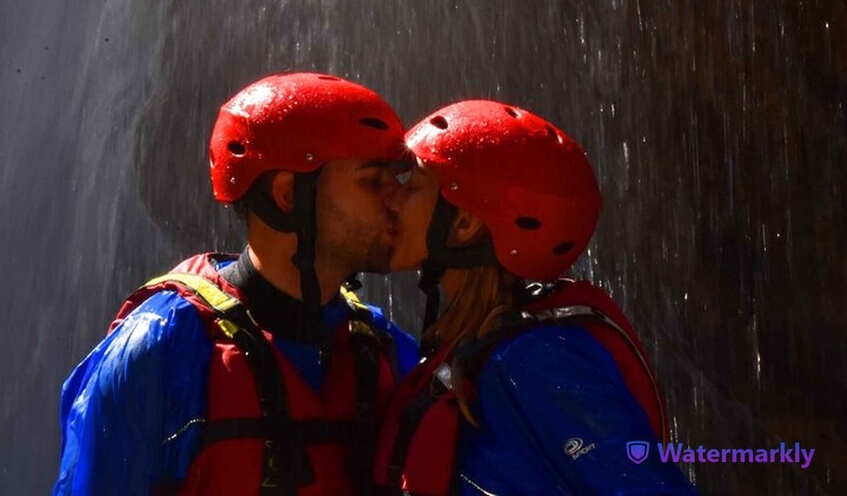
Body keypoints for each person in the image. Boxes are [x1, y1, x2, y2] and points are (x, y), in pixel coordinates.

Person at [54, 72, 419, 496]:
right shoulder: (161, 349)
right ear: (288, 195)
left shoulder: (383, 349)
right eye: (374, 182)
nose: (398, 199)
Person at [372, 100, 697, 494]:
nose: (391, 198)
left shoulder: (534, 360)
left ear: (464, 222)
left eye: (413, 186)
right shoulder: (470, 348)